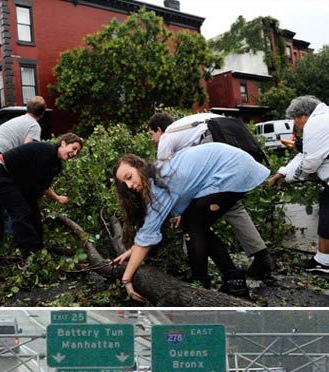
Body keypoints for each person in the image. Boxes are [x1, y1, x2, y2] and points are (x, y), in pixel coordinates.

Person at [111, 142, 270, 301]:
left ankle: (201, 286)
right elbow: (148, 233)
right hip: (235, 165)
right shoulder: (158, 173)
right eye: (125, 185)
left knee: (192, 223)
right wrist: (132, 251)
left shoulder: (160, 184)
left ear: (139, 166)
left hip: (232, 170)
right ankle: (233, 282)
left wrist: (127, 278)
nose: (129, 185)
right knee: (195, 222)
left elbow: (147, 237)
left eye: (129, 177)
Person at [148, 112, 274, 281]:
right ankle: (262, 257)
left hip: (213, 140)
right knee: (232, 205)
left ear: (158, 130)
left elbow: (166, 178)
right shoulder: (187, 124)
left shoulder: (167, 136)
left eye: (151, 134)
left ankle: (198, 267)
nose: (152, 140)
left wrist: (175, 212)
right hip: (236, 139)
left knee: (193, 218)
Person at [0, 132, 83, 254]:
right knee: (21, 212)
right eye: (74, 148)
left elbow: (39, 189)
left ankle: (39, 252)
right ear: (63, 143)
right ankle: (28, 253)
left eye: (77, 152)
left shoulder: (56, 165)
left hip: (15, 181)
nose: (75, 153)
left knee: (33, 215)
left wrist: (37, 210)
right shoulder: (47, 151)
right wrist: (57, 198)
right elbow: (38, 184)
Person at [268, 95, 329, 273]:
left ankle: (324, 262)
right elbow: (304, 155)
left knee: (326, 217)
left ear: (301, 116)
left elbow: (309, 164)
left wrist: (289, 178)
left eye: (296, 123)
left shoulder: (316, 124)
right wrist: (281, 173)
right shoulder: (324, 118)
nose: (297, 127)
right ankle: (323, 260)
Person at [0, 96, 48, 240]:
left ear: (27, 109)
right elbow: (27, 150)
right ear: (42, 113)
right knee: (15, 201)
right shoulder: (34, 126)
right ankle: (13, 244)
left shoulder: (16, 120)